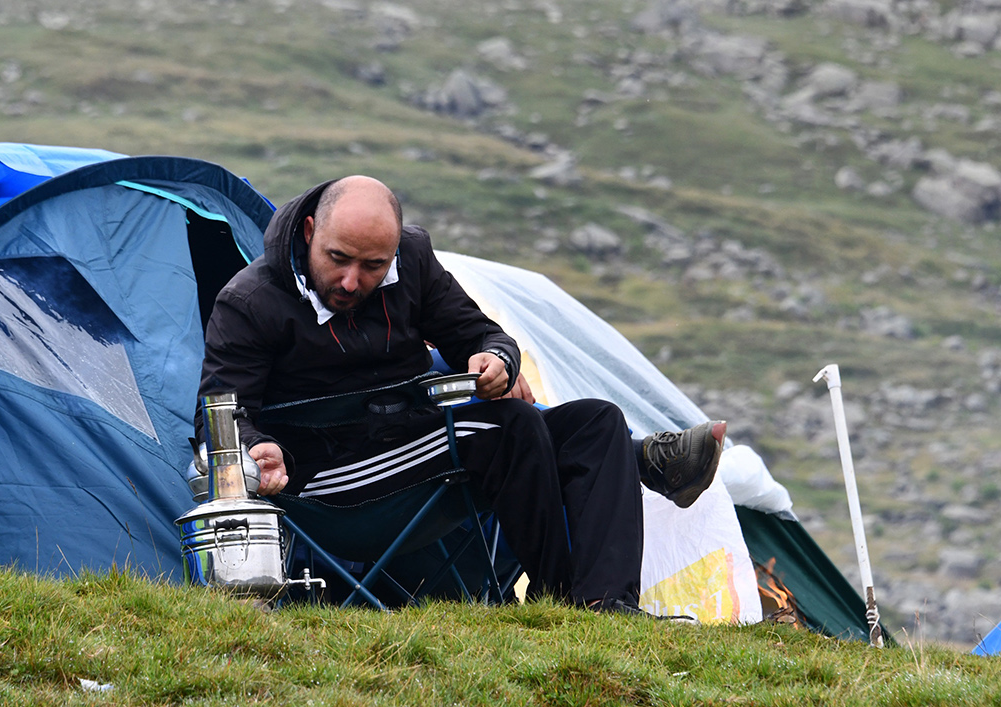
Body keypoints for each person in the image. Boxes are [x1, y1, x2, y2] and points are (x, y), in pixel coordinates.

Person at [198, 175, 725, 611]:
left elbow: (480, 333)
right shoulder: (250, 302)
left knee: (598, 423)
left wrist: (497, 360)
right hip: (328, 484)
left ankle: (607, 606)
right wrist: (255, 448)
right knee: (509, 427)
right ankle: (560, 603)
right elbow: (218, 412)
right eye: (339, 259)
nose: (354, 281)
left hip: (415, 447)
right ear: (310, 231)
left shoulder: (414, 260)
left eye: (373, 266)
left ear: (393, 251)